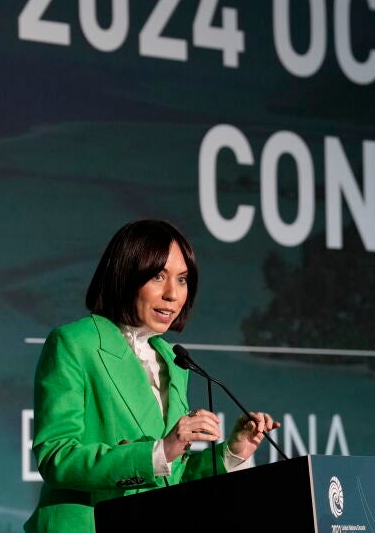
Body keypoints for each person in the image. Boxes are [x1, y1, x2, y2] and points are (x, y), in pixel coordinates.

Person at [24, 219, 280, 533]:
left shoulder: (173, 360)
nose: (172, 294)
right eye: (158, 276)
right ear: (125, 275)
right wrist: (159, 451)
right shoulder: (74, 343)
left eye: (182, 279)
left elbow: (169, 475)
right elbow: (57, 458)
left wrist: (232, 452)